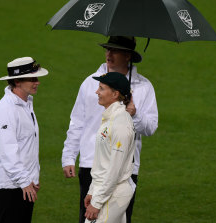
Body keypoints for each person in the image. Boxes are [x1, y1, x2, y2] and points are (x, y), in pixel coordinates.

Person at [62, 36, 158, 223]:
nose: (109, 54)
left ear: (128, 56)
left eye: (115, 50)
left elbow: (151, 127)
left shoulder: (144, 87)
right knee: (89, 218)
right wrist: (68, 156)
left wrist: (134, 115)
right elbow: (77, 122)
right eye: (107, 49)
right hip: (91, 163)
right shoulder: (89, 83)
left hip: (124, 168)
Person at [0, 57, 49, 223]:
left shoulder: (26, 103)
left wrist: (32, 178)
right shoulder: (6, 109)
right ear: (17, 81)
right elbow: (8, 151)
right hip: (10, 186)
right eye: (32, 79)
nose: (37, 82)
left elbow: (26, 145)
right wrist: (24, 180)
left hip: (23, 184)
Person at [84, 72, 136, 223]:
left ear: (115, 94)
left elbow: (115, 169)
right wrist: (92, 190)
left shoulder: (120, 123)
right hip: (105, 191)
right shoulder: (110, 119)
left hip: (113, 194)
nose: (96, 92)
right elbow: (102, 161)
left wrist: (97, 202)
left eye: (101, 88)